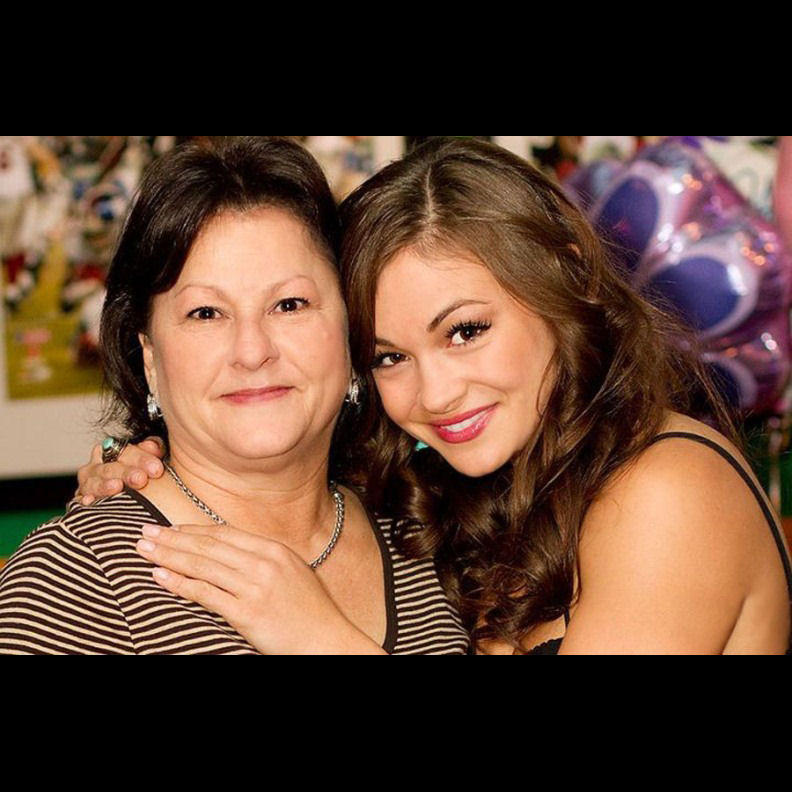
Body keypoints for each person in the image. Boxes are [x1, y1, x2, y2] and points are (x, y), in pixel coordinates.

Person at [76, 138, 792, 655]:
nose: (437, 394)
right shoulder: (474, 493)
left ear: (567, 277)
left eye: (466, 331)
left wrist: (319, 635)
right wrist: (134, 465)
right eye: (390, 356)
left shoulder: (666, 488)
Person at [0, 137, 469, 655]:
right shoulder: (73, 579)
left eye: (289, 304)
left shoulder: (434, 538)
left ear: (350, 327)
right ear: (150, 358)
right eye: (205, 313)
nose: (252, 351)